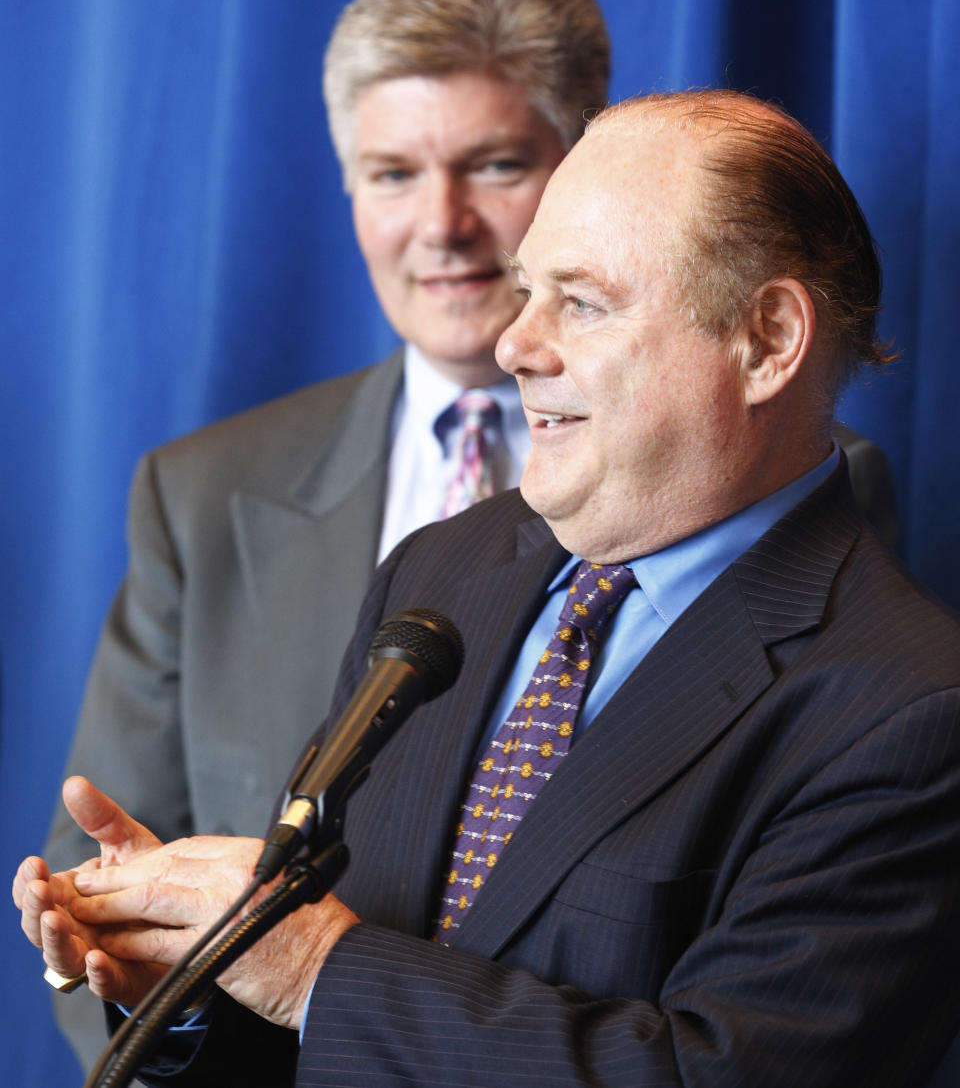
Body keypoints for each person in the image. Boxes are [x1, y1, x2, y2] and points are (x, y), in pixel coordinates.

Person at [18, 89, 960, 1087]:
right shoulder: (445, 570)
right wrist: (190, 983)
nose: (514, 343)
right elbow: (328, 1031)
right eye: (526, 289)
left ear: (767, 341)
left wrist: (304, 967)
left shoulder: (912, 715)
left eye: (581, 302)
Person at [41, 0, 610, 1070]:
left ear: (586, 175)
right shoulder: (202, 494)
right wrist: (143, 968)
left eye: (494, 165)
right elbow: (104, 875)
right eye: (392, 174)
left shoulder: (762, 482)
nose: (441, 225)